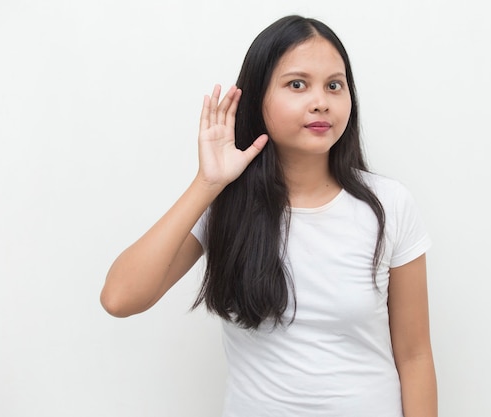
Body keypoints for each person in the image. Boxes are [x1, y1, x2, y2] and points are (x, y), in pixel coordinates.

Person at [101, 15, 437, 417]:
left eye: (335, 85)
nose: (321, 101)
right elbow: (120, 298)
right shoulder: (227, 203)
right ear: (257, 98)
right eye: (298, 84)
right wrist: (207, 184)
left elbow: (415, 356)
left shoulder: (388, 204)